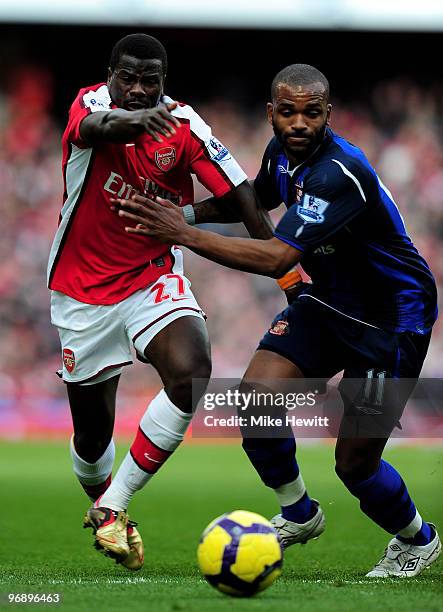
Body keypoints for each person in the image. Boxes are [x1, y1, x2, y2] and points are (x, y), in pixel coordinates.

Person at [112, 64, 441, 578]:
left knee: (355, 465)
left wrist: (181, 234)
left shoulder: (339, 172)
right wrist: (182, 213)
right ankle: (300, 513)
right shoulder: (282, 153)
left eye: (312, 112)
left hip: (392, 320)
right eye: (287, 112)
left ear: (328, 114)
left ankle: (417, 539)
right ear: (271, 114)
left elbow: (276, 258)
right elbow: (258, 198)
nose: (299, 123)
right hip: (330, 299)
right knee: (255, 399)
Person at [48, 33, 300, 571]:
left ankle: (115, 503)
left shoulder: (186, 126)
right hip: (82, 292)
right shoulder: (90, 104)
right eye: (128, 78)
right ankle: (103, 504)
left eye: (151, 81)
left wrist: (290, 274)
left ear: (165, 81)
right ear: (111, 76)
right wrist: (137, 122)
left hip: (152, 277)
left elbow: (244, 199)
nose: (138, 89)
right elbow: (96, 128)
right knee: (91, 438)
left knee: (191, 373)